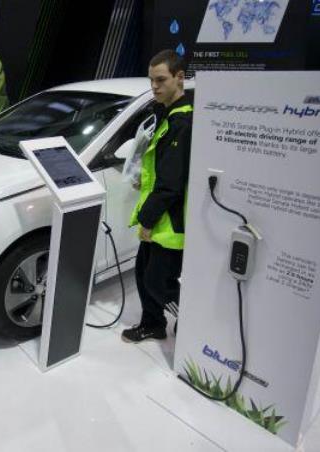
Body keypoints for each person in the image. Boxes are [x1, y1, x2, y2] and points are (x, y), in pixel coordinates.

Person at [121, 49, 194, 343]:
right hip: (158, 215)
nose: (154, 86)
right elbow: (162, 169)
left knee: (158, 282)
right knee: (143, 273)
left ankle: (193, 319)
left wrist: (148, 220)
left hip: (169, 220)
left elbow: (171, 185)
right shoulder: (165, 114)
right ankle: (152, 324)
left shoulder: (183, 122)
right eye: (151, 80)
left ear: (180, 77)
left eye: (161, 79)